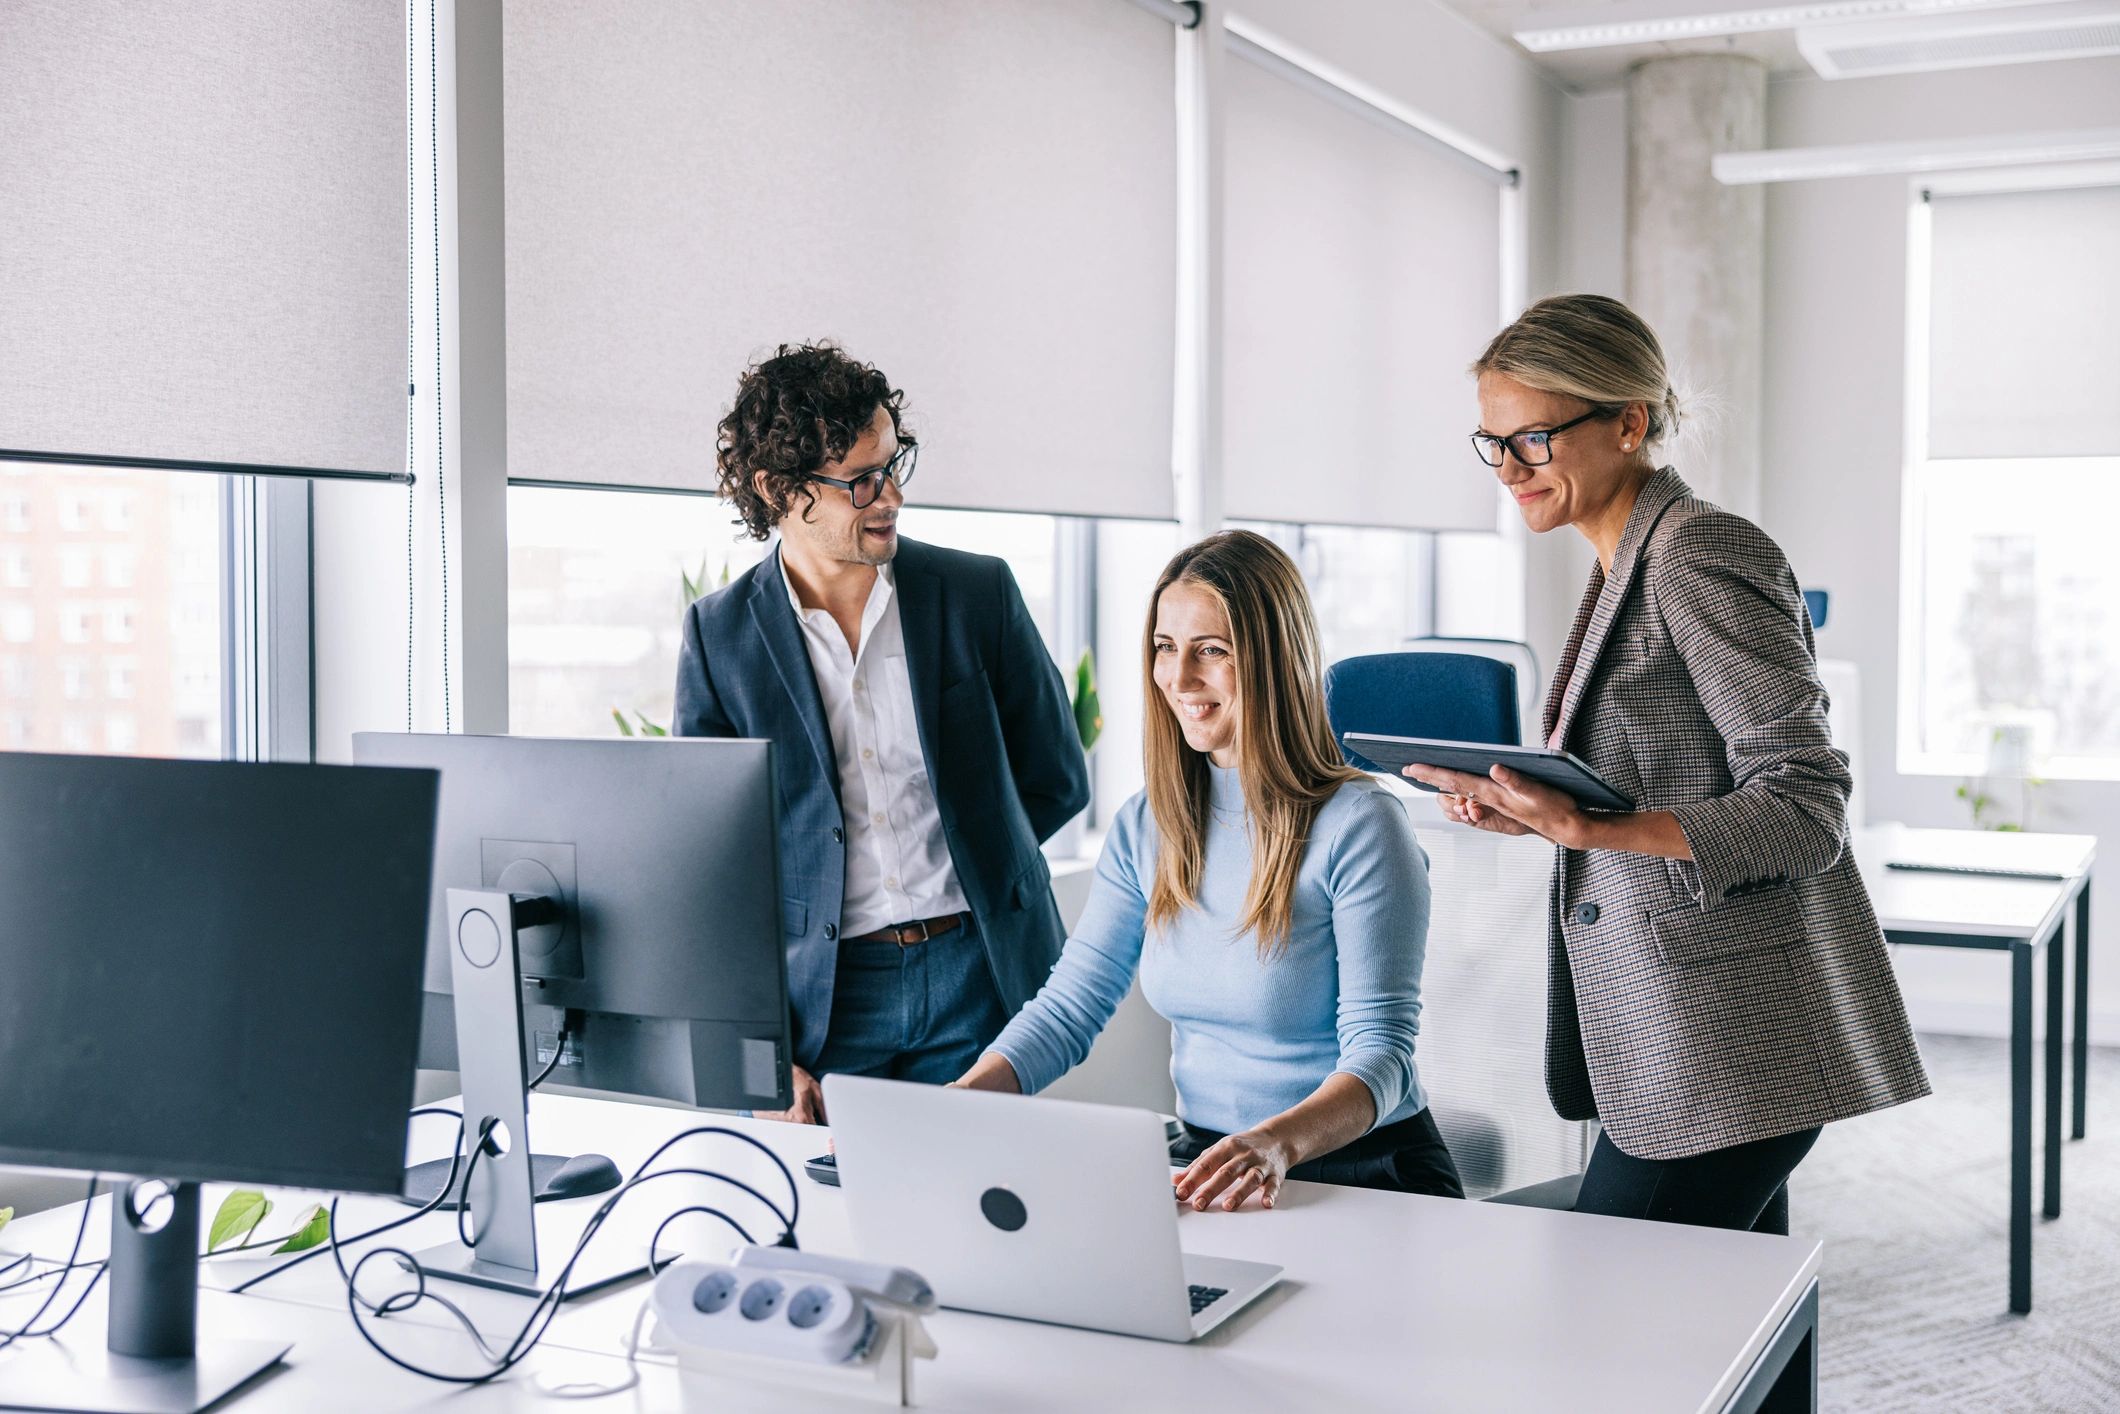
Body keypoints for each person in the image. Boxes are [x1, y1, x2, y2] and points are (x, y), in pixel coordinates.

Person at [1408, 294, 1929, 1233]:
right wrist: (1535, 809)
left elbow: (1807, 806)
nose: (1510, 469)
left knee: (1614, 1316)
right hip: (1674, 1030)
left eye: (1531, 439)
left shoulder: (1697, 551)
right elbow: (1670, 778)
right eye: (1492, 444)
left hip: (1729, 1040)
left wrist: (1590, 827)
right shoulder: (1622, 561)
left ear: (1627, 423)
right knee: (1736, 1342)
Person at [954, 531, 1462, 1210]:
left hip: (1360, 1170)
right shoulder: (1149, 824)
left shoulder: (1360, 823)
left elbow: (1383, 1056)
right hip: (1213, 1165)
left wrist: (1274, 1145)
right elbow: (1069, 1009)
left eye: (1212, 651)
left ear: (1274, 659)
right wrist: (953, 1108)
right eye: (1166, 648)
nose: (1180, 678)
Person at [674, 342, 1089, 1123]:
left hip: (980, 978)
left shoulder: (976, 594)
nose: (890, 494)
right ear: (779, 489)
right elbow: (711, 870)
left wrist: (972, 866)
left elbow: (1056, 776)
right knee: (839, 1230)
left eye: (895, 464)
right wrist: (761, 1043)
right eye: (861, 479)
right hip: (827, 1003)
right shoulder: (719, 637)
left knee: (984, 1221)